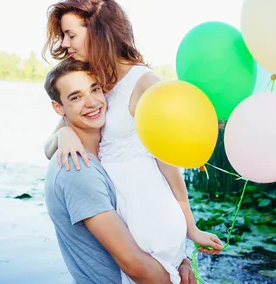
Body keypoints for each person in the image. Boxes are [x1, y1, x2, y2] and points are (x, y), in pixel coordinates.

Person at [42, 0, 223, 284]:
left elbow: (167, 163)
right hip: (119, 211)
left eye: (70, 34)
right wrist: (64, 132)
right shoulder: (92, 82)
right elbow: (50, 147)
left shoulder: (144, 84)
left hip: (146, 208)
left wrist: (191, 228)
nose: (64, 43)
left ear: (98, 33)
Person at [43, 59, 197, 284]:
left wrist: (177, 261)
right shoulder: (78, 169)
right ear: (59, 108)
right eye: (76, 97)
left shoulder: (102, 161)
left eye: (95, 89)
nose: (91, 102)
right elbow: (136, 266)